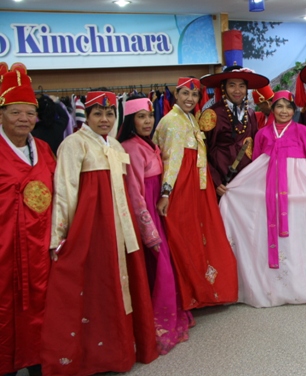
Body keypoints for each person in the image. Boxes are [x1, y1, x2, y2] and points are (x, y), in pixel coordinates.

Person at [41, 90, 158, 375]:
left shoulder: (116, 145)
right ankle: (95, 356)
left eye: (109, 114)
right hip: (92, 229)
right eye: (98, 113)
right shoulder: (73, 144)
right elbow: (65, 192)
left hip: (121, 227)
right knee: (97, 289)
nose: (104, 119)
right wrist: (60, 237)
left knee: (123, 286)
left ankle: (121, 351)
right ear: (87, 116)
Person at [219, 91, 306, 308]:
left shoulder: (302, 131)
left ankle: (299, 281)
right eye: (279, 106)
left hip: (298, 189)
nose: (284, 111)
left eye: (288, 107)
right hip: (269, 190)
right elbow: (256, 165)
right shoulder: (262, 134)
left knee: (297, 236)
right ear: (272, 108)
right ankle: (272, 286)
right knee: (268, 232)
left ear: (294, 110)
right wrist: (236, 189)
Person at [153, 77, 238, 310]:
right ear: (176, 95)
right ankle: (186, 295)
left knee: (199, 234)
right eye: (185, 94)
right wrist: (166, 192)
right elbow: (170, 160)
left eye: (194, 95)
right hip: (182, 183)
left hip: (197, 181)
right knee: (182, 236)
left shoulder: (190, 118)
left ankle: (205, 291)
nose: (190, 99)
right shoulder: (171, 121)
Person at [119, 96, 192, 354]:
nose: (148, 121)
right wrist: (147, 230)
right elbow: (134, 193)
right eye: (141, 117)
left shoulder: (147, 144)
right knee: (158, 266)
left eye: (150, 116)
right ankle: (154, 322)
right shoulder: (130, 148)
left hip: (157, 208)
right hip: (146, 212)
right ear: (131, 120)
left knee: (165, 266)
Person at [0, 65, 56, 376]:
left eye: (30, 113)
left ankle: (38, 363)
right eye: (15, 112)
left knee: (42, 306)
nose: (24, 118)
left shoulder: (44, 149)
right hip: (6, 247)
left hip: (40, 246)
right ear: (1, 115)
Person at [199, 66, 269, 196]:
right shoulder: (212, 114)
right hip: (222, 183)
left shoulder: (250, 113)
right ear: (224, 87)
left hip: (248, 180)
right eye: (232, 85)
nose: (237, 90)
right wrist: (215, 180)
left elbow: (256, 146)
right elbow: (201, 151)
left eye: (242, 86)